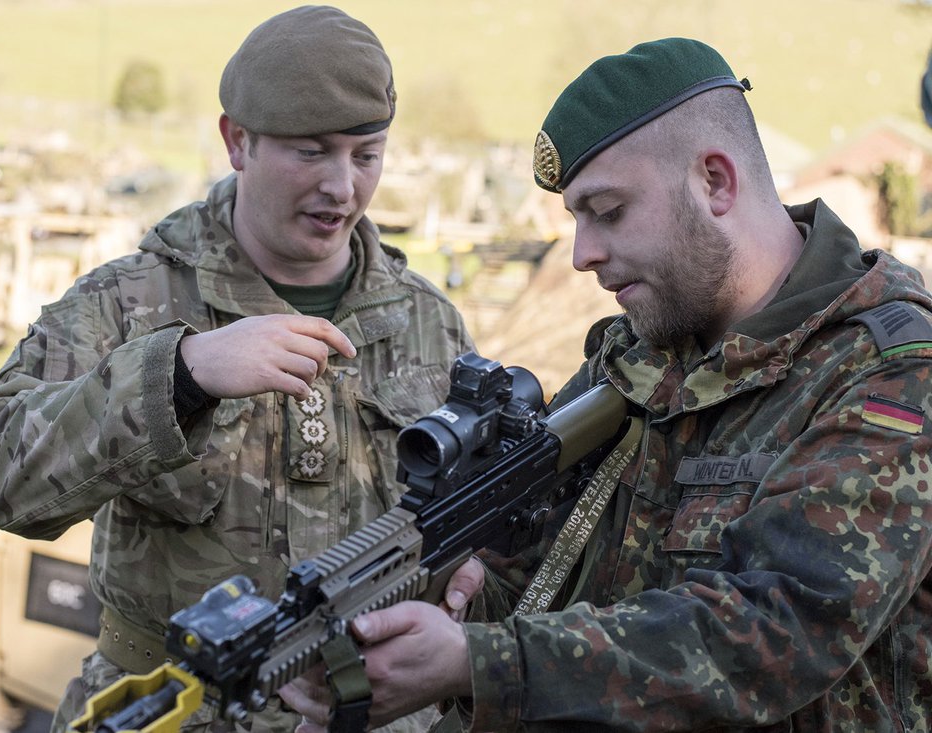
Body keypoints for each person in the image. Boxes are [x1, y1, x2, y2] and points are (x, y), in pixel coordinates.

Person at [280, 37, 932, 731]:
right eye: (576, 219)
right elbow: (540, 563)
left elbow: (779, 629)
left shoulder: (890, 374)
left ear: (716, 182)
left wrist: (482, 663)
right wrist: (448, 602)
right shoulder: (635, 356)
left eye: (609, 211)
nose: (582, 254)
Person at [0, 6, 474, 732]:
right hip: (174, 711)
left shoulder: (427, 320)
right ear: (237, 141)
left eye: (367, 155)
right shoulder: (127, 301)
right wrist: (180, 374)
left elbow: (478, 513)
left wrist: (473, 574)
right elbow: (1, 477)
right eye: (311, 152)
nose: (342, 188)